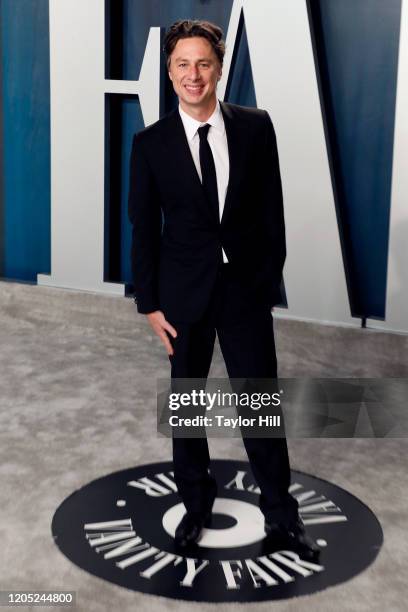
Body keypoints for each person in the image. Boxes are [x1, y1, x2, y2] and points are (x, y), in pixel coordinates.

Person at [128, 19, 318, 558]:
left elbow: (271, 213)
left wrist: (264, 279)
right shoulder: (150, 143)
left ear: (219, 69)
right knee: (187, 406)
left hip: (243, 292)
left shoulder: (256, 127)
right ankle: (194, 506)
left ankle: (281, 514)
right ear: (170, 73)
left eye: (203, 63)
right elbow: (144, 228)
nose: (194, 75)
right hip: (181, 295)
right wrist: (149, 304)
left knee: (259, 403)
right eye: (183, 65)